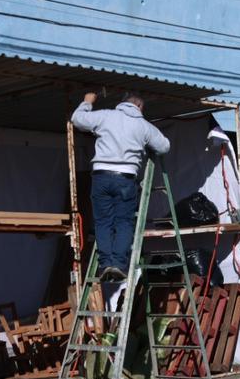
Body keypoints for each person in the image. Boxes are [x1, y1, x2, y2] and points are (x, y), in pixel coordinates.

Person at [71, 91, 171, 281]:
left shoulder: (106, 115)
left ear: (122, 103)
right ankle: (118, 264)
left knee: (103, 222)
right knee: (124, 223)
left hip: (100, 176)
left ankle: (105, 264)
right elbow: (164, 146)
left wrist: (87, 102)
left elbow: (77, 119)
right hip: (125, 178)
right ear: (140, 107)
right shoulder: (143, 126)